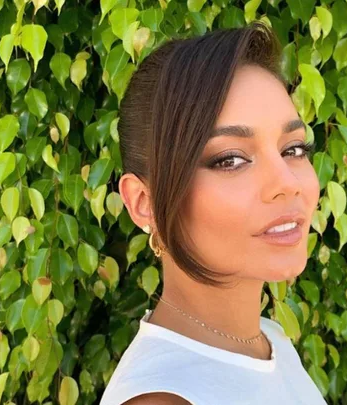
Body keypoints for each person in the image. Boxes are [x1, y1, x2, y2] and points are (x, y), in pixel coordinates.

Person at [100, 20, 326, 405]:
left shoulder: (270, 339)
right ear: (143, 203)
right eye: (231, 159)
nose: (287, 182)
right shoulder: (165, 397)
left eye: (293, 149)